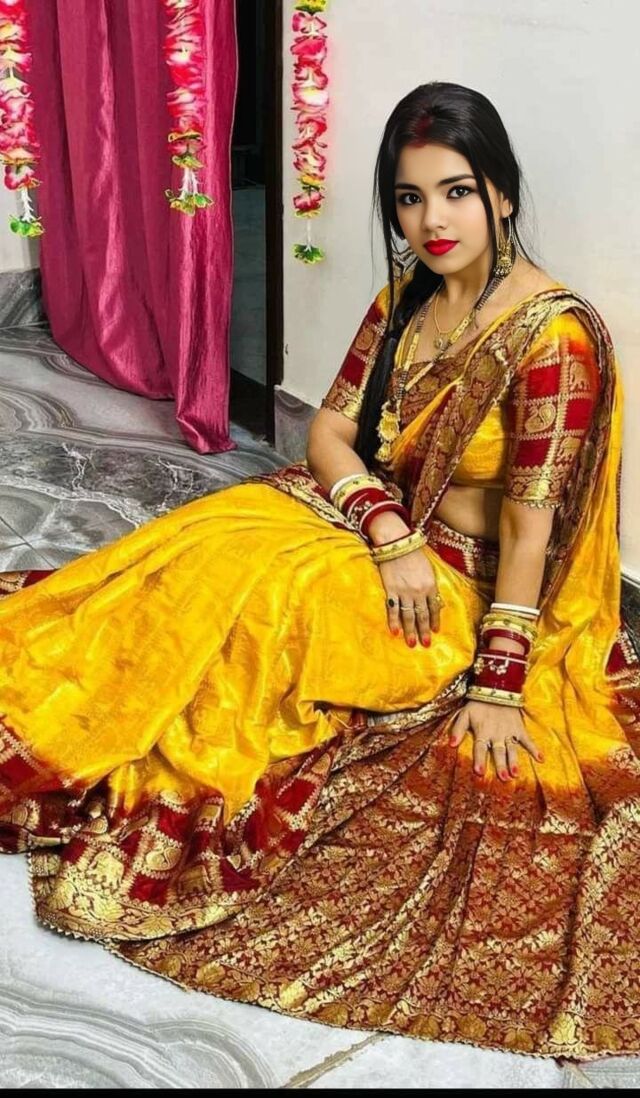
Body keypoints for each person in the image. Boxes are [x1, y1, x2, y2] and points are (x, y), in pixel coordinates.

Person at [1, 81, 638, 1060]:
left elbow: (530, 529)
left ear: (502, 193)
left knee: (268, 605)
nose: (432, 220)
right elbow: (331, 435)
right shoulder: (407, 300)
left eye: (457, 192)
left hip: (463, 589)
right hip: (380, 535)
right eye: (409, 197)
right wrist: (384, 526)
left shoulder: (550, 338)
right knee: (202, 542)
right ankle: (55, 707)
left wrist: (501, 684)